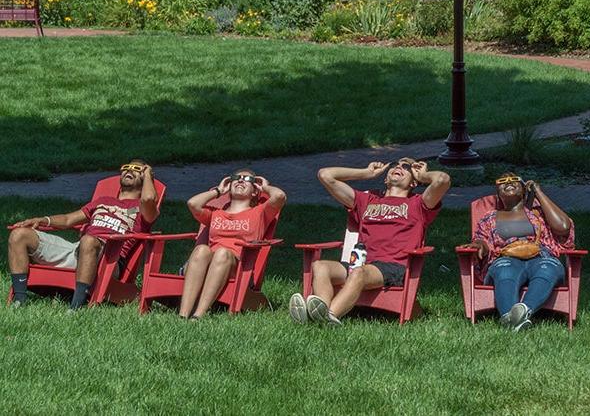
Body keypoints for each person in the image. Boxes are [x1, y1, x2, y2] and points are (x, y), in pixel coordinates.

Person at [289, 158, 450, 325]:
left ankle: (327, 317)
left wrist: (423, 175)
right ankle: (319, 312)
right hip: (361, 263)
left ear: (413, 183)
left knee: (359, 273)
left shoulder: (418, 204)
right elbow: (325, 175)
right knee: (320, 266)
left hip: (393, 267)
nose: (399, 167)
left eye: (407, 167)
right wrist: (366, 173)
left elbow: (442, 180)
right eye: (395, 165)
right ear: (386, 178)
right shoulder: (366, 200)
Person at [8, 160, 159, 309]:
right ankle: (19, 300)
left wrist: (148, 174)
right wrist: (42, 220)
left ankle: (76, 307)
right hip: (80, 250)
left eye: (137, 169)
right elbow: (68, 220)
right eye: (126, 167)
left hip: (110, 259)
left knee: (88, 240)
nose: (129, 170)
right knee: (19, 235)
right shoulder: (103, 201)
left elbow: (148, 198)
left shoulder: (144, 210)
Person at [462, 172, 574, 331]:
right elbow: (482, 239)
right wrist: (479, 245)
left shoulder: (539, 213)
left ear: (523, 190)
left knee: (548, 268)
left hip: (541, 256)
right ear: (498, 194)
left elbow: (563, 227)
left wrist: (538, 193)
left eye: (514, 180)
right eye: (502, 181)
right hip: (506, 258)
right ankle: (517, 315)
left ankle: (516, 315)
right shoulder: (489, 218)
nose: (508, 181)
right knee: (506, 271)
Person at [179, 169, 286, 319]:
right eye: (236, 178)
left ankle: (198, 315)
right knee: (201, 250)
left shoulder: (260, 213)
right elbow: (193, 203)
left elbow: (279, 196)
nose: (241, 180)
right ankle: (183, 315)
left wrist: (265, 187)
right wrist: (218, 191)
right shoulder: (216, 213)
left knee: (222, 253)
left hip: (238, 267)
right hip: (207, 264)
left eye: (248, 180)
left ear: (255, 191)